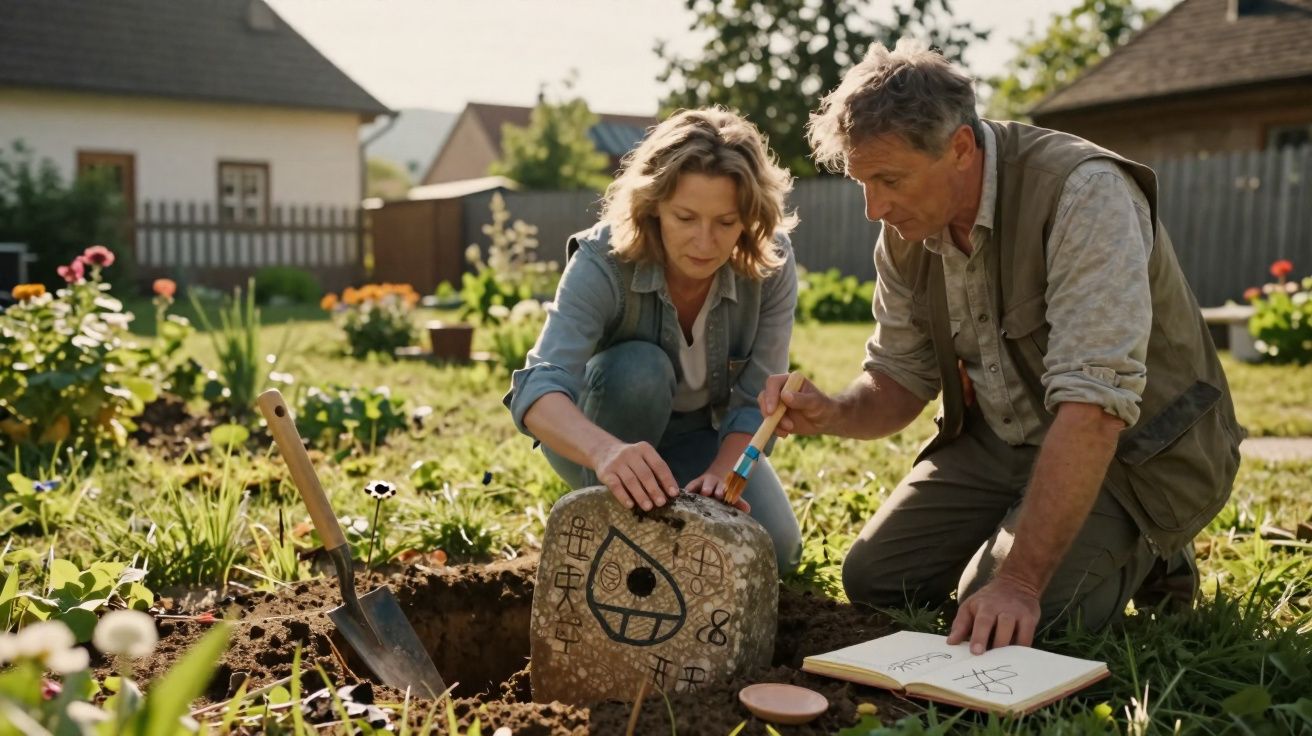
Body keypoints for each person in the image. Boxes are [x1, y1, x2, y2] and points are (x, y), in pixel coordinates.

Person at [760, 40, 1244, 652]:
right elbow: (898, 376)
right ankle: (1039, 525)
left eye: (888, 179)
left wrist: (1016, 581)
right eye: (862, 182)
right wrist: (832, 411)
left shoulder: (1085, 194)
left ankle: (1154, 548)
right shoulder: (905, 230)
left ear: (960, 148)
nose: (873, 207)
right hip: (1003, 438)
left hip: (1132, 449)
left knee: (1025, 616)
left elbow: (1094, 407)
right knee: (876, 580)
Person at [504, 107, 803, 573]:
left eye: (726, 222)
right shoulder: (602, 258)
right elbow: (536, 388)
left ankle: (658, 519)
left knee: (774, 553)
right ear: (653, 206)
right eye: (686, 217)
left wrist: (722, 475)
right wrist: (606, 453)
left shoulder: (771, 264)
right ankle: (604, 528)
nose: (705, 242)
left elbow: (752, 403)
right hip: (600, 431)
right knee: (640, 370)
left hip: (695, 436)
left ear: (748, 217)